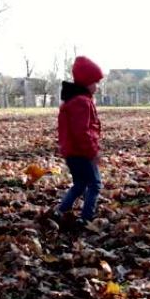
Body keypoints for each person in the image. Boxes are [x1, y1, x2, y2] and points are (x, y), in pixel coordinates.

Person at [54, 56, 104, 226]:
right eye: (95, 82)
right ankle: (86, 218)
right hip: (81, 152)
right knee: (95, 184)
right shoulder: (81, 102)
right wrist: (93, 152)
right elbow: (82, 132)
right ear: (86, 83)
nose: (97, 86)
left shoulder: (73, 99)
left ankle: (61, 210)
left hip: (72, 152)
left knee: (80, 183)